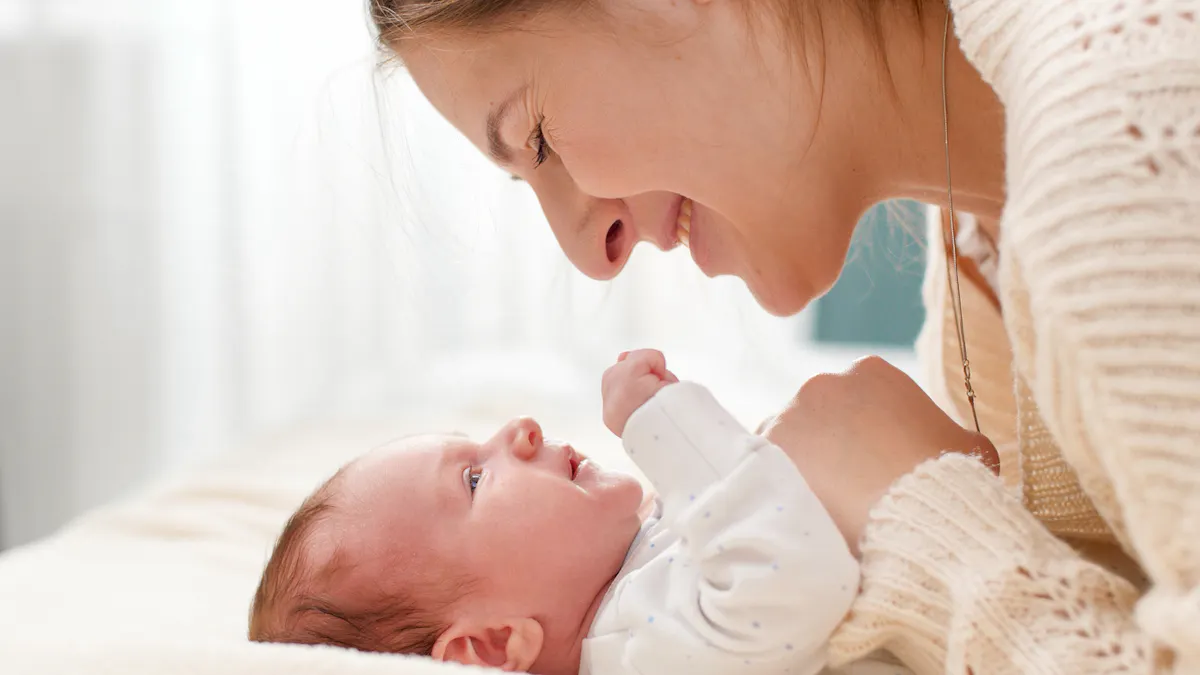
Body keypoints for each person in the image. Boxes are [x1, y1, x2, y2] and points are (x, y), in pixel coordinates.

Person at [364, 0, 1200, 672]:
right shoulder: (978, 254)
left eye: (539, 138)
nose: (593, 257)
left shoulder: (1122, 140)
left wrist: (921, 515)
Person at [249, 350, 922, 675]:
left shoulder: (630, 591)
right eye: (476, 477)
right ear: (490, 646)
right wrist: (667, 428)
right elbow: (795, 579)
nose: (522, 429)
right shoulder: (643, 651)